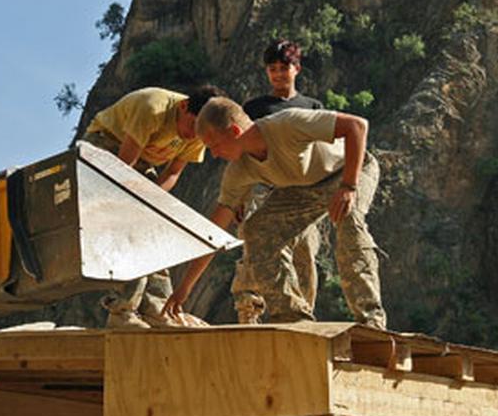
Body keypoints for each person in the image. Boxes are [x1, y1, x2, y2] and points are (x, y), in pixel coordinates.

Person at [161, 97, 387, 329]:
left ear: (235, 131)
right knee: (255, 229)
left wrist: (348, 186)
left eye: (214, 146)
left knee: (349, 220)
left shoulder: (287, 124)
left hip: (348, 171)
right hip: (303, 189)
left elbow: (357, 126)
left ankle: (371, 319)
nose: (215, 155)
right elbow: (215, 231)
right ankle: (291, 316)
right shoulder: (238, 171)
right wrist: (184, 288)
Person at [84, 85, 225, 328]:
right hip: (106, 147)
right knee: (132, 222)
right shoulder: (152, 108)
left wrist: (153, 201)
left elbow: (172, 173)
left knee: (156, 223)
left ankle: (156, 305)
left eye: (200, 132)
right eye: (191, 126)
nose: (194, 135)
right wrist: (135, 206)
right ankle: (122, 310)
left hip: (142, 163)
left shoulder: (201, 130)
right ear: (183, 107)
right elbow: (123, 166)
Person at [242, 39, 324, 309]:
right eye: (272, 68)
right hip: (264, 187)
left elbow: (322, 151)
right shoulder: (254, 109)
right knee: (256, 245)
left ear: (297, 68)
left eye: (284, 67)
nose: (278, 73)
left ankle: (304, 313)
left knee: (306, 253)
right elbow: (241, 153)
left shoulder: (313, 107)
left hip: (304, 190)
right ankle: (250, 308)